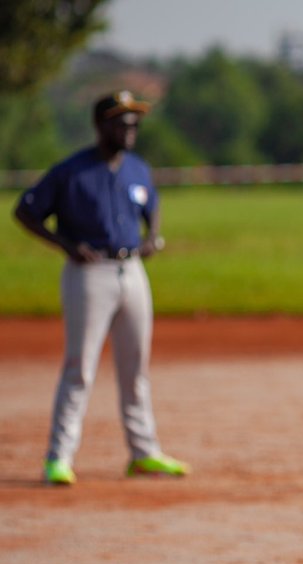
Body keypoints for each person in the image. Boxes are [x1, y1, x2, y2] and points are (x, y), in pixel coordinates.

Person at [13, 90, 190, 486]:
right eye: (121, 121)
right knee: (80, 367)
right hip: (89, 275)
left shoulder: (137, 168)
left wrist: (154, 237)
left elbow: (152, 206)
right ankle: (59, 457)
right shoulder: (72, 171)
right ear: (100, 126)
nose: (130, 129)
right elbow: (25, 210)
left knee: (135, 368)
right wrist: (64, 244)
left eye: (134, 122)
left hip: (133, 272)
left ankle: (144, 453)